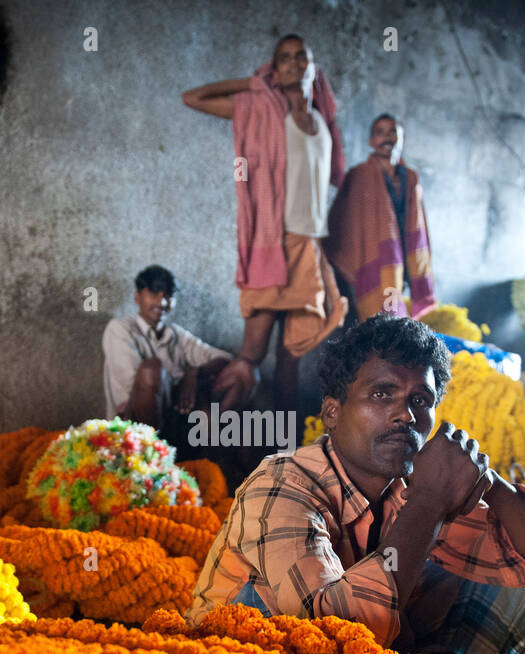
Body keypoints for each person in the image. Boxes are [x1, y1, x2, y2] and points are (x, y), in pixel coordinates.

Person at [189, 314, 525, 654]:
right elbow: (331, 637)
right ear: (332, 413)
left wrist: (487, 481)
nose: (405, 415)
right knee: (387, 581)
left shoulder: (406, 489)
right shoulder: (282, 484)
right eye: (381, 394)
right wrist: (428, 503)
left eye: (420, 401)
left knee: (492, 594)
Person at [181, 33, 349, 414]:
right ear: (275, 68)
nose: (293, 64)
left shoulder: (323, 122)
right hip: (275, 242)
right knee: (250, 358)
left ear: (313, 65)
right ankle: (219, 440)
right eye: (284, 58)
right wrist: (252, 83)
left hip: (310, 245)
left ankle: (285, 449)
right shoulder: (261, 108)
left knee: (291, 358)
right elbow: (192, 98)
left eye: (300, 57)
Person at [102, 265, 255, 429]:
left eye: (168, 295)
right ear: (137, 297)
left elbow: (225, 358)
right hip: (134, 421)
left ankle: (216, 438)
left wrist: (193, 374)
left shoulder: (176, 334)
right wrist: (181, 384)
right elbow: (133, 387)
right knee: (151, 370)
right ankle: (151, 450)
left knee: (243, 369)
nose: (161, 302)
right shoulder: (120, 328)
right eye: (153, 294)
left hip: (176, 417)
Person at [325, 113, 436, 320]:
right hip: (364, 267)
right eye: (379, 132)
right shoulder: (358, 176)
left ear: (402, 139)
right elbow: (339, 221)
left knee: (390, 325)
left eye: (393, 132)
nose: (387, 138)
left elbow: (419, 227)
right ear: (371, 141)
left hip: (398, 268)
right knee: (365, 330)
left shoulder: (411, 178)